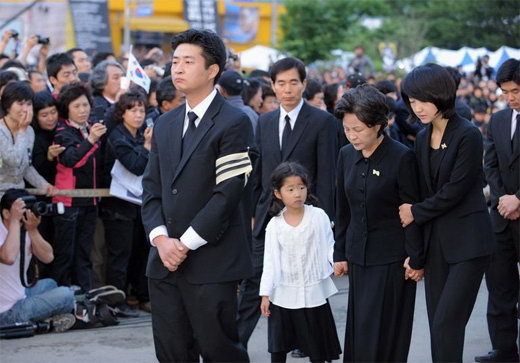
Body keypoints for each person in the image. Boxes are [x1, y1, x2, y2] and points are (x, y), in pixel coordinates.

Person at [141, 29, 252, 362]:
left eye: (188, 62)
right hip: (163, 263)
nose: (178, 69)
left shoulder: (235, 122)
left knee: (220, 351)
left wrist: (184, 244)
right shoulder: (165, 123)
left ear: (213, 69)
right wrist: (162, 241)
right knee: (172, 352)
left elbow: (227, 194)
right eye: (175, 61)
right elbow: (151, 188)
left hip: (211, 262)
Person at [237, 57, 338, 349]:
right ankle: (233, 347)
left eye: (294, 82)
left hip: (306, 218)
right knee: (255, 281)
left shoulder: (323, 122)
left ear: (304, 84)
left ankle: (312, 344)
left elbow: (328, 175)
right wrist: (254, 212)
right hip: (267, 217)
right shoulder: (264, 122)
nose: (288, 89)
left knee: (306, 283)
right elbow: (257, 172)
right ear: (272, 86)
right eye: (281, 83)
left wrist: (325, 222)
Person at [399, 63, 495, 362]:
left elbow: (456, 190)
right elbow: (422, 190)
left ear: (440, 94)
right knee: (439, 327)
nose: (418, 108)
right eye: (412, 101)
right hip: (437, 246)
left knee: (447, 323)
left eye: (423, 99)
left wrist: (416, 211)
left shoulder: (468, 134)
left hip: (469, 244)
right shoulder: (421, 138)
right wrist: (418, 252)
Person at [334, 84, 424, 362]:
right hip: (358, 255)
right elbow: (342, 208)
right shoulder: (345, 155)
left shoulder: (402, 157)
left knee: (385, 328)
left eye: (358, 129)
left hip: (392, 259)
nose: (352, 136)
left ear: (377, 125)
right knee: (360, 326)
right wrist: (339, 254)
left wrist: (416, 258)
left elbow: (411, 212)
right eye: (347, 129)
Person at [260, 161, 341, 363]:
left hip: (314, 293)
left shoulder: (318, 216)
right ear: (278, 193)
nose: (297, 194)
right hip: (284, 294)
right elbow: (270, 261)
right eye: (291, 189)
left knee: (318, 349)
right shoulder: (275, 225)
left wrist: (338, 262)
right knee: (279, 350)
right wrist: (265, 294)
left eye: (301, 188)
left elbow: (329, 245)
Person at [476, 58, 520, 363]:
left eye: (516, 90)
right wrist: (505, 199)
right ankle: (504, 350)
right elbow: (489, 164)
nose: (511, 97)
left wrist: (519, 198)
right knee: (500, 288)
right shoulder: (499, 120)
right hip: (501, 218)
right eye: (506, 92)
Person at [100, 91, 152, 316]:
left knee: (140, 254)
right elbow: (135, 165)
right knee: (119, 256)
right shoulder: (116, 137)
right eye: (133, 110)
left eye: (141, 110)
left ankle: (139, 295)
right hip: (117, 207)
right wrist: (148, 146)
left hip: (138, 205)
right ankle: (115, 301)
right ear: (122, 113)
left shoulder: (140, 135)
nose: (138, 115)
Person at [52, 82, 107, 292]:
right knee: (65, 254)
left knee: (84, 254)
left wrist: (92, 136)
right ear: (67, 109)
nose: (83, 110)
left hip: (90, 201)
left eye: (85, 105)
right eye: (77, 106)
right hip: (67, 203)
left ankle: (85, 301)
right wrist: (92, 139)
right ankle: (60, 300)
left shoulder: (91, 127)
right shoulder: (62, 131)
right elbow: (71, 160)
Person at [0, 188, 76, 332]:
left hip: (20, 296)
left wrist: (33, 230)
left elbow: (48, 258)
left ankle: (47, 317)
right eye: (21, 210)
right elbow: (8, 257)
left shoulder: (25, 228)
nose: (26, 213)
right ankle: (66, 310)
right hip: (5, 313)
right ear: (6, 213)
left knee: (50, 284)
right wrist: (15, 222)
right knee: (66, 294)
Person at [0, 82, 55, 198]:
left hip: (18, 195)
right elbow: (14, 161)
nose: (25, 109)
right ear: (7, 106)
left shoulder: (29, 131)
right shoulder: (4, 131)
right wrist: (22, 131)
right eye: (20, 104)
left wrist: (43, 184)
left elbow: (26, 166)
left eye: (29, 104)